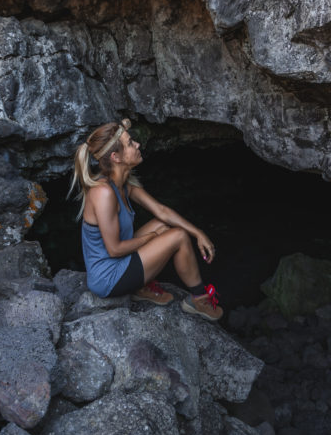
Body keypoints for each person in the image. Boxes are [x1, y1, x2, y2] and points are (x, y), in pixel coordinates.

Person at [70, 118, 223, 321]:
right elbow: (114, 249)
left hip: (120, 262)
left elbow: (161, 211)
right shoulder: (103, 193)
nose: (138, 145)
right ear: (116, 157)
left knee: (166, 225)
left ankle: (140, 286)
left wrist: (198, 233)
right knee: (177, 236)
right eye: (130, 143)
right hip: (108, 278)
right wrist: (151, 237)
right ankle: (198, 299)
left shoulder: (123, 184)